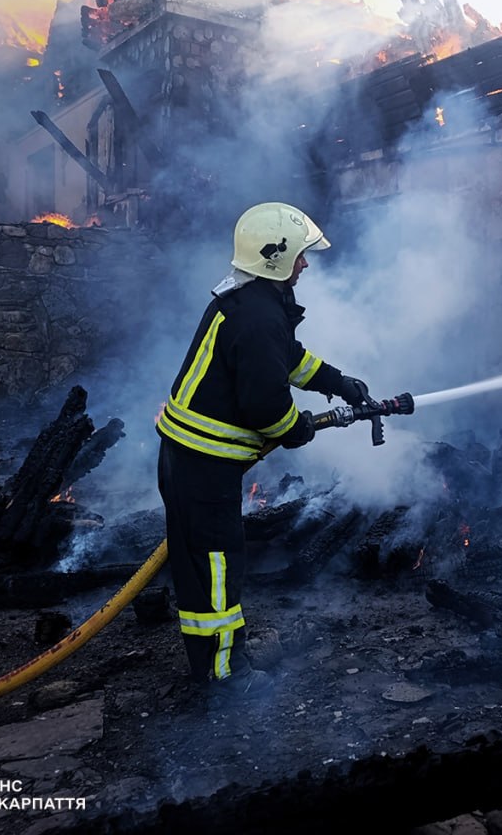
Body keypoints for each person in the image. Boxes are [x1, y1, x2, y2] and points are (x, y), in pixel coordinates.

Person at [156, 201, 372, 697]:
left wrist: (339, 383)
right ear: (276, 258)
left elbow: (287, 360)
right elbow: (265, 406)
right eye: (300, 255)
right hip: (202, 465)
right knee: (215, 571)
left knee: (206, 567)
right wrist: (296, 428)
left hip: (193, 457)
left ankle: (214, 669)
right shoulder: (257, 317)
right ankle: (224, 678)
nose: (306, 264)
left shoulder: (252, 301)